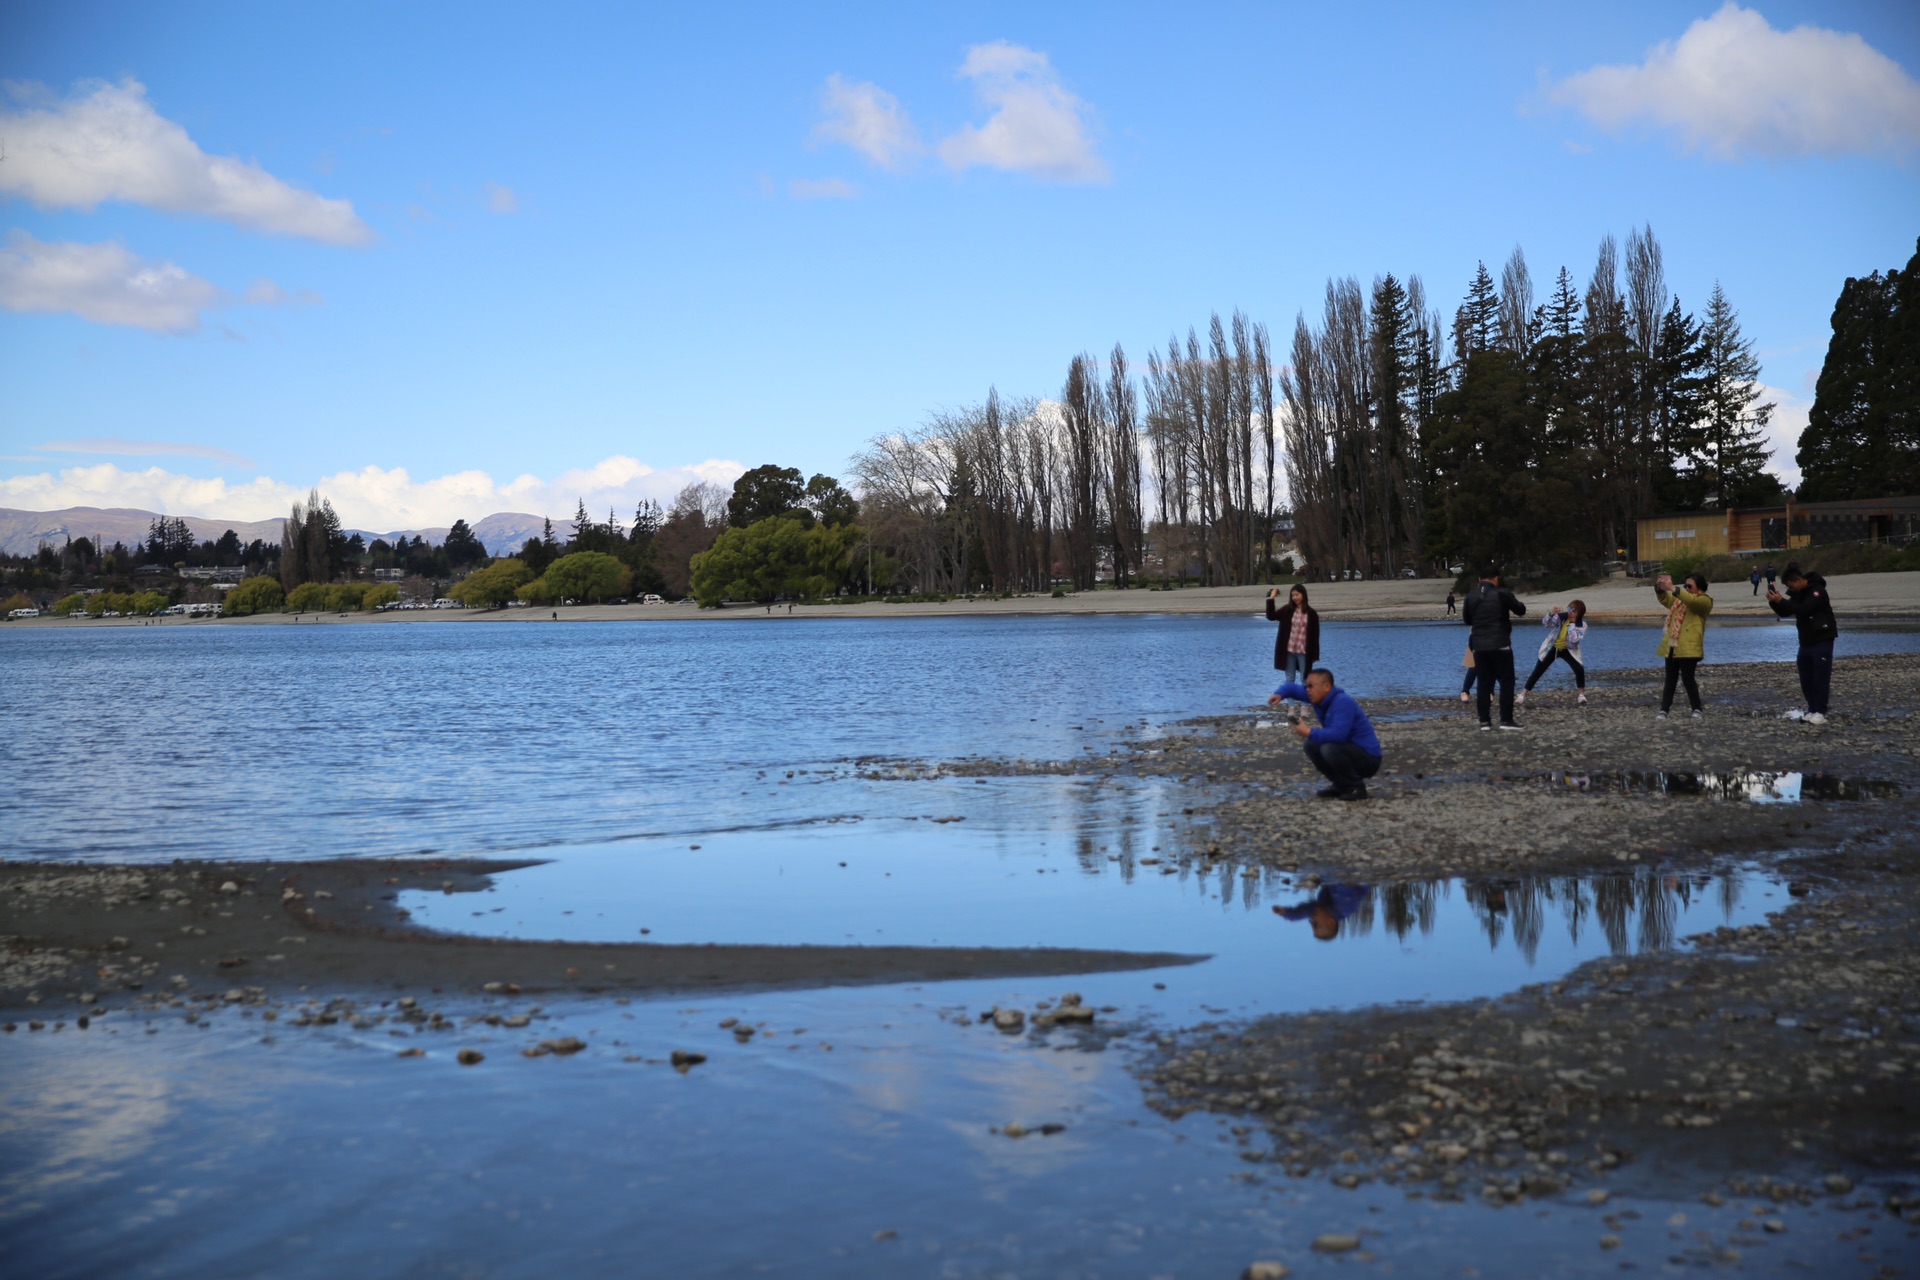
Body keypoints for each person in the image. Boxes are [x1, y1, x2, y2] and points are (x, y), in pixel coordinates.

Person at [1266, 667, 1382, 800]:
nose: (1307, 689)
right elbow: (1291, 688)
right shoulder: (1317, 697)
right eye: (1306, 686)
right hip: (1350, 750)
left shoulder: (1342, 702)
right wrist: (1279, 694)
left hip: (1369, 759)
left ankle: (1356, 787)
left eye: (1311, 686)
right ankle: (1341, 785)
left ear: (1326, 686)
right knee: (1311, 745)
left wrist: (1309, 731)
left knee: (1328, 748)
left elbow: (1339, 735)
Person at [1767, 562, 1838, 724]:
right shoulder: (1797, 595)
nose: (1790, 589)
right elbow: (1787, 611)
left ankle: (1820, 711)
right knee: (1806, 677)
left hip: (1822, 638)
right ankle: (1812, 709)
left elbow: (1805, 609)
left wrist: (1783, 601)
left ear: (1799, 580)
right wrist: (1774, 601)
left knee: (1820, 676)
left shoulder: (1818, 591)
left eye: (1791, 586)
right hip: (1805, 642)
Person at [1461, 564, 1526, 730]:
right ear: (1496, 579)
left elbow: (1467, 620)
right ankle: (1506, 720)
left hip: (1479, 646)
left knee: (1483, 682)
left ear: (1479, 580)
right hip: (1500, 643)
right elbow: (1520, 610)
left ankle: (1484, 721)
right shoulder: (1502, 593)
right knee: (1506, 681)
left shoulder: (1471, 596)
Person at [1653, 571, 1713, 721]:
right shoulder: (1680, 600)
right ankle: (1664, 710)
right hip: (1673, 644)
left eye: (1689, 586)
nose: (1686, 588)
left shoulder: (1705, 601)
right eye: (1685, 585)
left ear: (1700, 588)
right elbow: (1666, 600)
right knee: (1670, 679)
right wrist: (1660, 589)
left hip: (1689, 647)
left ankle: (1697, 708)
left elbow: (1692, 602)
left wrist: (1674, 588)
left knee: (1688, 679)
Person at [1519, 599, 1589, 706]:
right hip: (1553, 647)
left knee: (1579, 669)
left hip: (1569, 650)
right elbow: (1545, 623)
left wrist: (1572, 622)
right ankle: (1522, 695)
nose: (1570, 611)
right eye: (1569, 608)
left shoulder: (1582, 625)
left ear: (1579, 613)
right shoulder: (1561, 618)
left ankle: (1581, 695)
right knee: (1538, 669)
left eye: (1573, 610)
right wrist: (1551, 614)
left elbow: (1574, 640)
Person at [1272, 883, 1371, 940]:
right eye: (1315, 924)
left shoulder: (1326, 909)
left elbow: (1305, 912)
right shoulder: (1345, 906)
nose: (1312, 920)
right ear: (1331, 922)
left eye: (1312, 924)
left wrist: (1286, 913)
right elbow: (1340, 878)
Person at [1265, 585, 1320, 687]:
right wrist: (1272, 598)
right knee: (1290, 678)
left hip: (1304, 651)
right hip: (1289, 650)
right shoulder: (1287, 610)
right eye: (1293, 595)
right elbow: (1271, 616)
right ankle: (1291, 703)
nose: (1295, 597)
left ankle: (1305, 701)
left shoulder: (1312, 614)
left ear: (1303, 595)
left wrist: (1315, 655)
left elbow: (1315, 636)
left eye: (1297, 595)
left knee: (1305, 677)